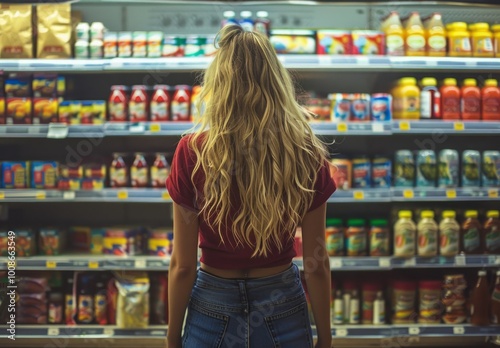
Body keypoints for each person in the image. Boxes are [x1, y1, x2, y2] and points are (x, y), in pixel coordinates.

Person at [166, 24, 336, 348]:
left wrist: (172, 337)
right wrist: (326, 338)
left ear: (219, 83)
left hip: (211, 305)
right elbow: (316, 261)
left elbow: (183, 264)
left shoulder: (192, 151)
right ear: (276, 81)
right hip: (281, 300)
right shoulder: (305, 152)